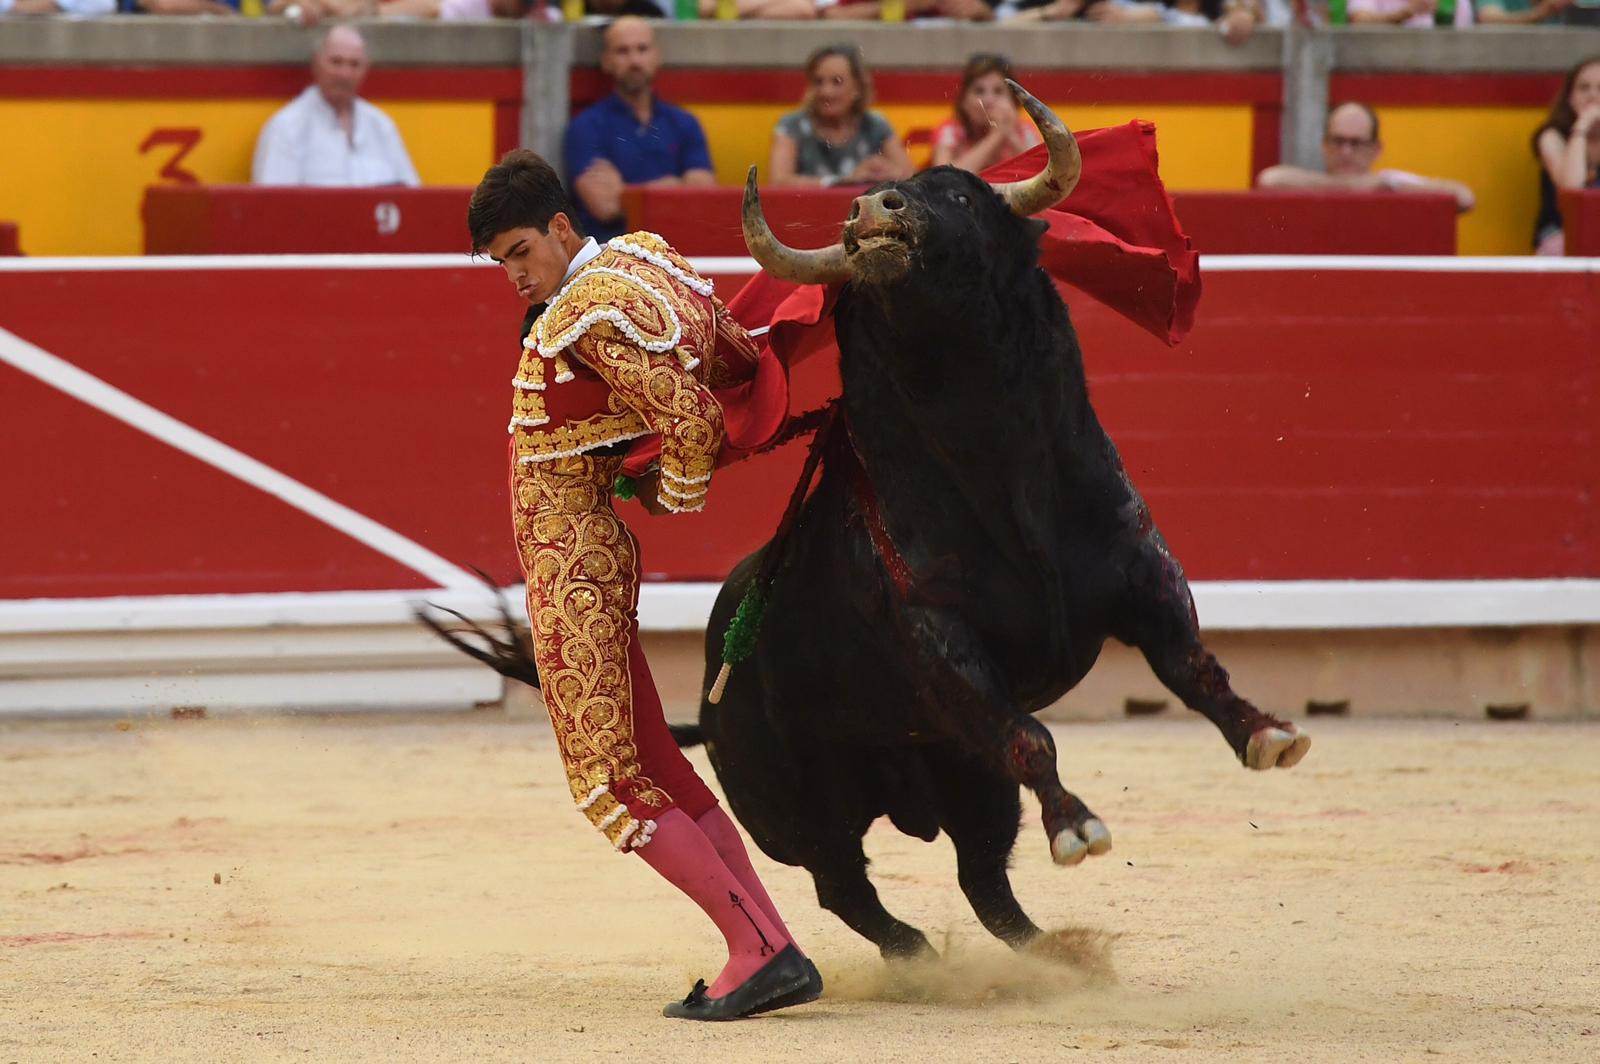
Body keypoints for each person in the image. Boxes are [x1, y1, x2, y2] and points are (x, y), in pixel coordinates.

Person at [465, 149, 819, 1021]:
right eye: (499, 263)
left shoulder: (577, 319)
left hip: (573, 561)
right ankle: (773, 944)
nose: (514, 277)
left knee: (609, 785)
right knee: (653, 763)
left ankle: (756, 950)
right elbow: (735, 358)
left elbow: (693, 416)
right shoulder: (645, 259)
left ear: (558, 228)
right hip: (588, 552)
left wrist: (674, 489)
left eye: (519, 253)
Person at [563, 17, 715, 243]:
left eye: (642, 49)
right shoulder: (585, 126)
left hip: (680, 252)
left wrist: (625, 193)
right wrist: (674, 186)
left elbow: (702, 196)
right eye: (623, 51)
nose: (634, 60)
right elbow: (604, 205)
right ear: (606, 61)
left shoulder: (685, 123)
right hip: (611, 257)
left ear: (656, 56)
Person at [251, 25, 421, 188]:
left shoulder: (381, 126)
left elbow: (412, 200)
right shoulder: (287, 127)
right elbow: (274, 207)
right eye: (336, 62)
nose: (345, 74)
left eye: (354, 64)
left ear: (366, 69)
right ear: (316, 64)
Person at [1255, 101, 1475, 213]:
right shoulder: (1310, 183)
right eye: (1338, 141)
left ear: (1376, 150)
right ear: (1324, 145)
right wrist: (1349, 186)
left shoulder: (1390, 182)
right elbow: (1269, 179)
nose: (1346, 152)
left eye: (1356, 143)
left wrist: (1389, 187)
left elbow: (1464, 197)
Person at [767, 44, 913, 188]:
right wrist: (845, 181)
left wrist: (888, 173)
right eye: (818, 82)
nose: (826, 92)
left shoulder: (875, 124)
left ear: (857, 88)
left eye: (836, 82)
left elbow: (911, 177)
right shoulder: (791, 125)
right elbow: (779, 181)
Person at [1531, 56, 1600, 255]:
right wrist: (1582, 127)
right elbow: (1572, 187)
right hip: (1559, 234)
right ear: (1570, 97)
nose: (1592, 95)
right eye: (1584, 88)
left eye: (1599, 87)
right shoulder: (1552, 136)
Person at [929, 54, 1041, 173]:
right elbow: (943, 178)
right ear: (963, 101)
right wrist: (997, 136)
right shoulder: (950, 130)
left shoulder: (1025, 130)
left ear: (1013, 101)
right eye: (979, 91)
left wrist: (1011, 136)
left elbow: (1044, 175)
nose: (988, 101)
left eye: (998, 91)